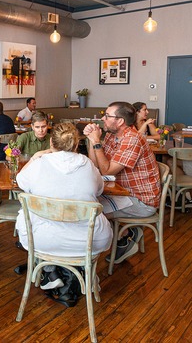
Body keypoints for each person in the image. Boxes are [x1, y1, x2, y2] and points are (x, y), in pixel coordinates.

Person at [15, 122, 113, 306]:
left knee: (27, 213)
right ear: (76, 145)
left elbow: (20, 181)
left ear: (51, 143)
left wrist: (35, 157)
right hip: (87, 241)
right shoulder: (87, 164)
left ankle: (51, 271)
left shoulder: (40, 163)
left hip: (42, 239)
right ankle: (80, 275)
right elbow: (99, 190)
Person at [83, 101, 160, 265]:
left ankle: (122, 240)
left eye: (107, 116)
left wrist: (97, 142)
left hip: (141, 200)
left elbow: (107, 171)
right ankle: (126, 235)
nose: (103, 118)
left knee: (91, 213)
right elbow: (95, 166)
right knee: (86, 205)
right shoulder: (112, 135)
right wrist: (91, 140)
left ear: (120, 121)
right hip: (120, 193)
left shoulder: (132, 139)